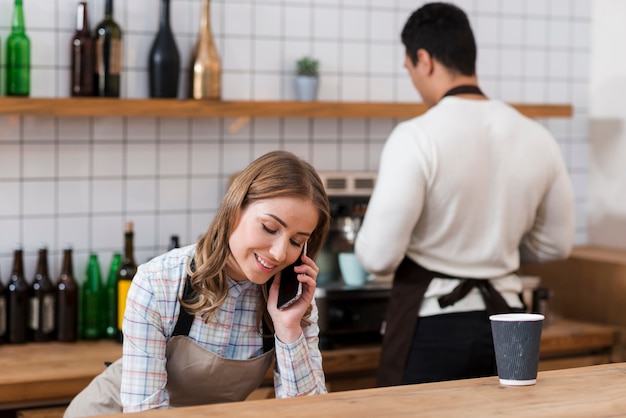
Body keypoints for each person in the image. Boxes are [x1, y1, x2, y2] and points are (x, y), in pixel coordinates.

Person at [354, 2, 575, 387]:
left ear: (424, 60)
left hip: (431, 325)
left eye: (408, 69)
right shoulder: (538, 137)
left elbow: (377, 257)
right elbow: (556, 245)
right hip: (509, 322)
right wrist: (494, 248)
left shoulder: (416, 136)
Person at [64, 150, 331, 416]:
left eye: (296, 241)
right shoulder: (158, 282)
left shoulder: (292, 300)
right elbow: (146, 413)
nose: (279, 253)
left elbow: (308, 412)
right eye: (269, 228)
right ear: (233, 209)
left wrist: (288, 328)